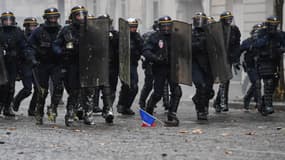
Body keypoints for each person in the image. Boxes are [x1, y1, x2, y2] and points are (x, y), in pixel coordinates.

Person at [143, 16, 182, 126]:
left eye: (168, 25)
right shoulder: (154, 37)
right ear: (159, 26)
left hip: (173, 68)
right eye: (163, 26)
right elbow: (146, 51)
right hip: (160, 68)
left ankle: (172, 115)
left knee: (177, 91)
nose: (166, 28)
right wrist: (156, 58)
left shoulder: (176, 37)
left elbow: (185, 49)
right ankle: (149, 109)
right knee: (158, 94)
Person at [26, 7, 63, 125]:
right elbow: (30, 46)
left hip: (56, 64)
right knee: (42, 91)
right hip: (41, 64)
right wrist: (32, 58)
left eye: (55, 17)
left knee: (58, 88)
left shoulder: (61, 30)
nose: (53, 20)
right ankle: (39, 111)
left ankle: (53, 108)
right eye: (50, 17)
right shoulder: (38, 31)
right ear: (46, 18)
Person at [213, 11, 241, 113]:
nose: (229, 20)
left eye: (230, 18)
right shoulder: (216, 29)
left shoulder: (234, 30)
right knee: (223, 80)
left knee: (226, 80)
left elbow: (236, 45)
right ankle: (222, 103)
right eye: (227, 18)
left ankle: (218, 102)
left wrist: (236, 60)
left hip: (228, 58)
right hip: (218, 58)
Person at [0, 11, 26, 116]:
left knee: (11, 86)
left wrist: (21, 54)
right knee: (2, 85)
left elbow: (23, 45)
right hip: (1, 62)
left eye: (10, 20)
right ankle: (1, 104)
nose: (8, 22)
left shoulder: (18, 31)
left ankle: (7, 107)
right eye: (5, 20)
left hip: (13, 62)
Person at [117, 18, 143, 115]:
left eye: (135, 27)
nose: (133, 29)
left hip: (132, 64)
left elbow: (143, 48)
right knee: (126, 85)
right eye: (131, 27)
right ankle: (121, 104)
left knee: (134, 87)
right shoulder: (120, 36)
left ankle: (127, 106)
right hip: (122, 64)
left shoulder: (137, 37)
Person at [12, 17, 38, 116]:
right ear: (26, 26)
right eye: (31, 26)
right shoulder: (21, 36)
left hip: (36, 65)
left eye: (35, 25)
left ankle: (32, 109)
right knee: (27, 89)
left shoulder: (38, 35)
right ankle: (15, 101)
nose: (33, 27)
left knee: (38, 89)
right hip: (25, 65)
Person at [191, 12, 215, 120]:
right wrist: (199, 43)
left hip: (209, 64)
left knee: (208, 89)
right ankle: (200, 110)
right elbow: (186, 47)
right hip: (196, 64)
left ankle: (203, 105)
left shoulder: (211, 33)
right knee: (201, 86)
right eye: (197, 19)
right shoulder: (191, 33)